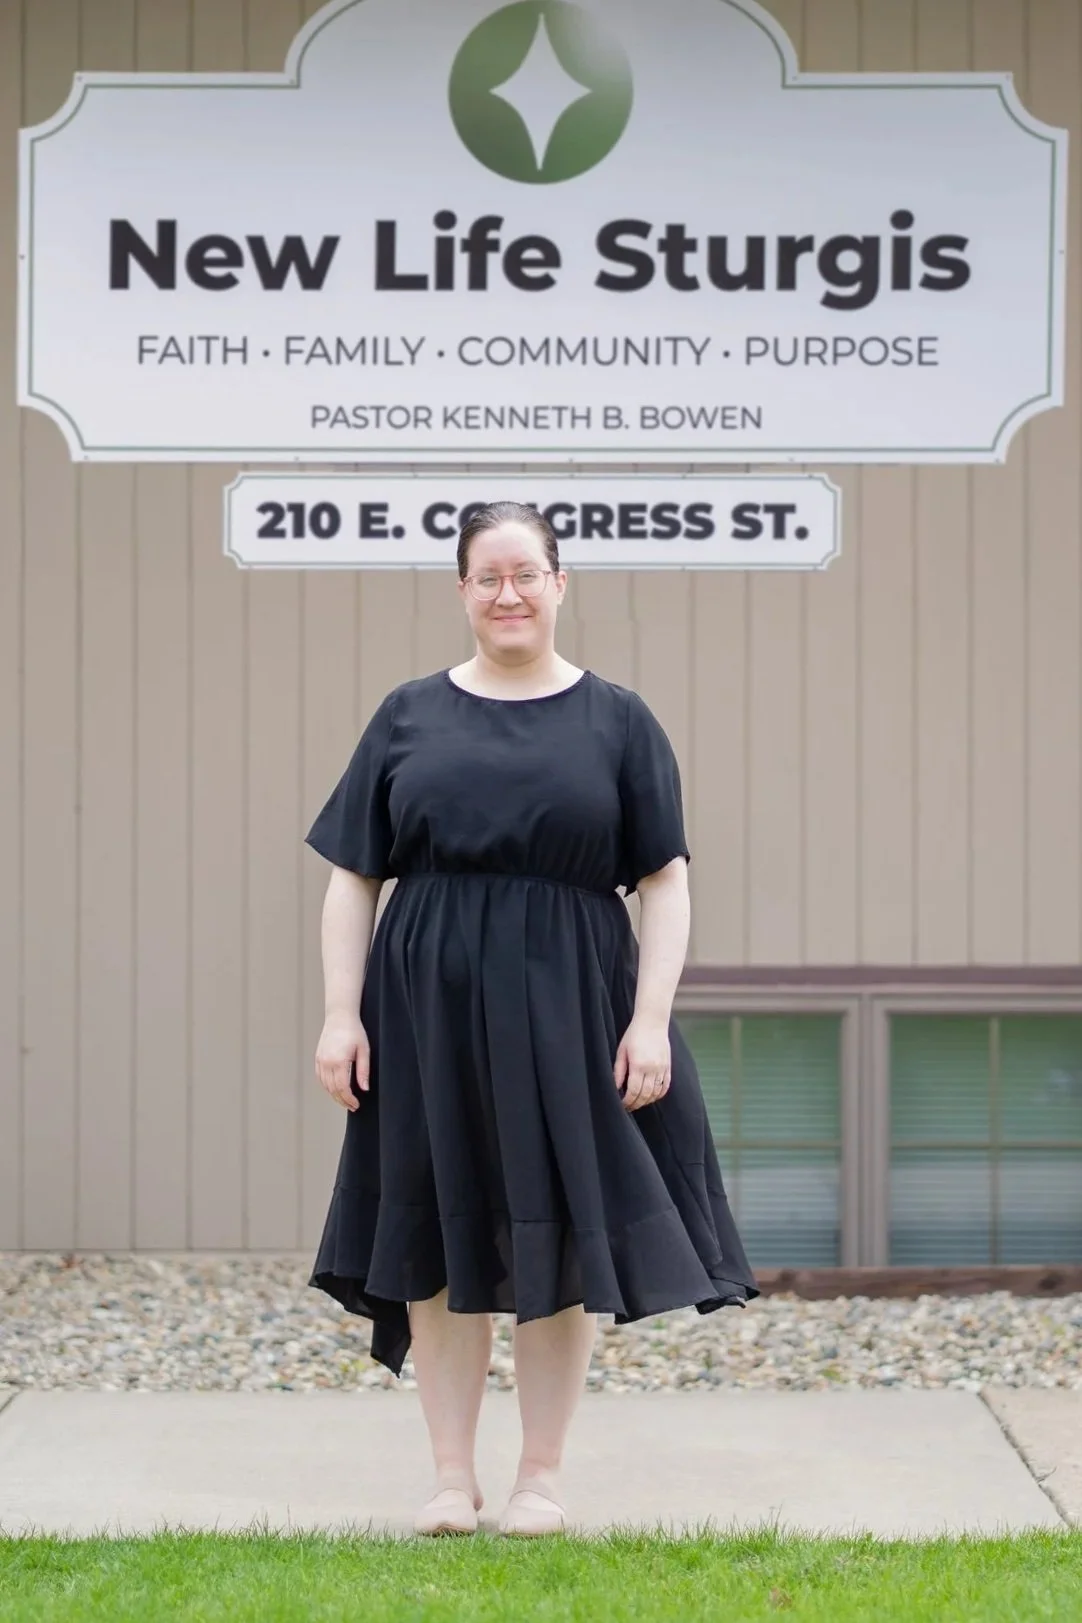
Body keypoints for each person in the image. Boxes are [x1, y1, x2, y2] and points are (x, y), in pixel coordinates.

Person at [304, 501, 759, 1537]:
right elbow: (350, 881)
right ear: (460, 591)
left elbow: (665, 881)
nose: (505, 594)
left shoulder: (618, 720)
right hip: (425, 1008)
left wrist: (649, 1021)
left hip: (573, 1006)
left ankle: (539, 1480)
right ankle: (449, 1480)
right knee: (437, 1226)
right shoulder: (406, 715)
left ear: (560, 584)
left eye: (524, 573)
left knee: (553, 1237)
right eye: (484, 577)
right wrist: (341, 1016)